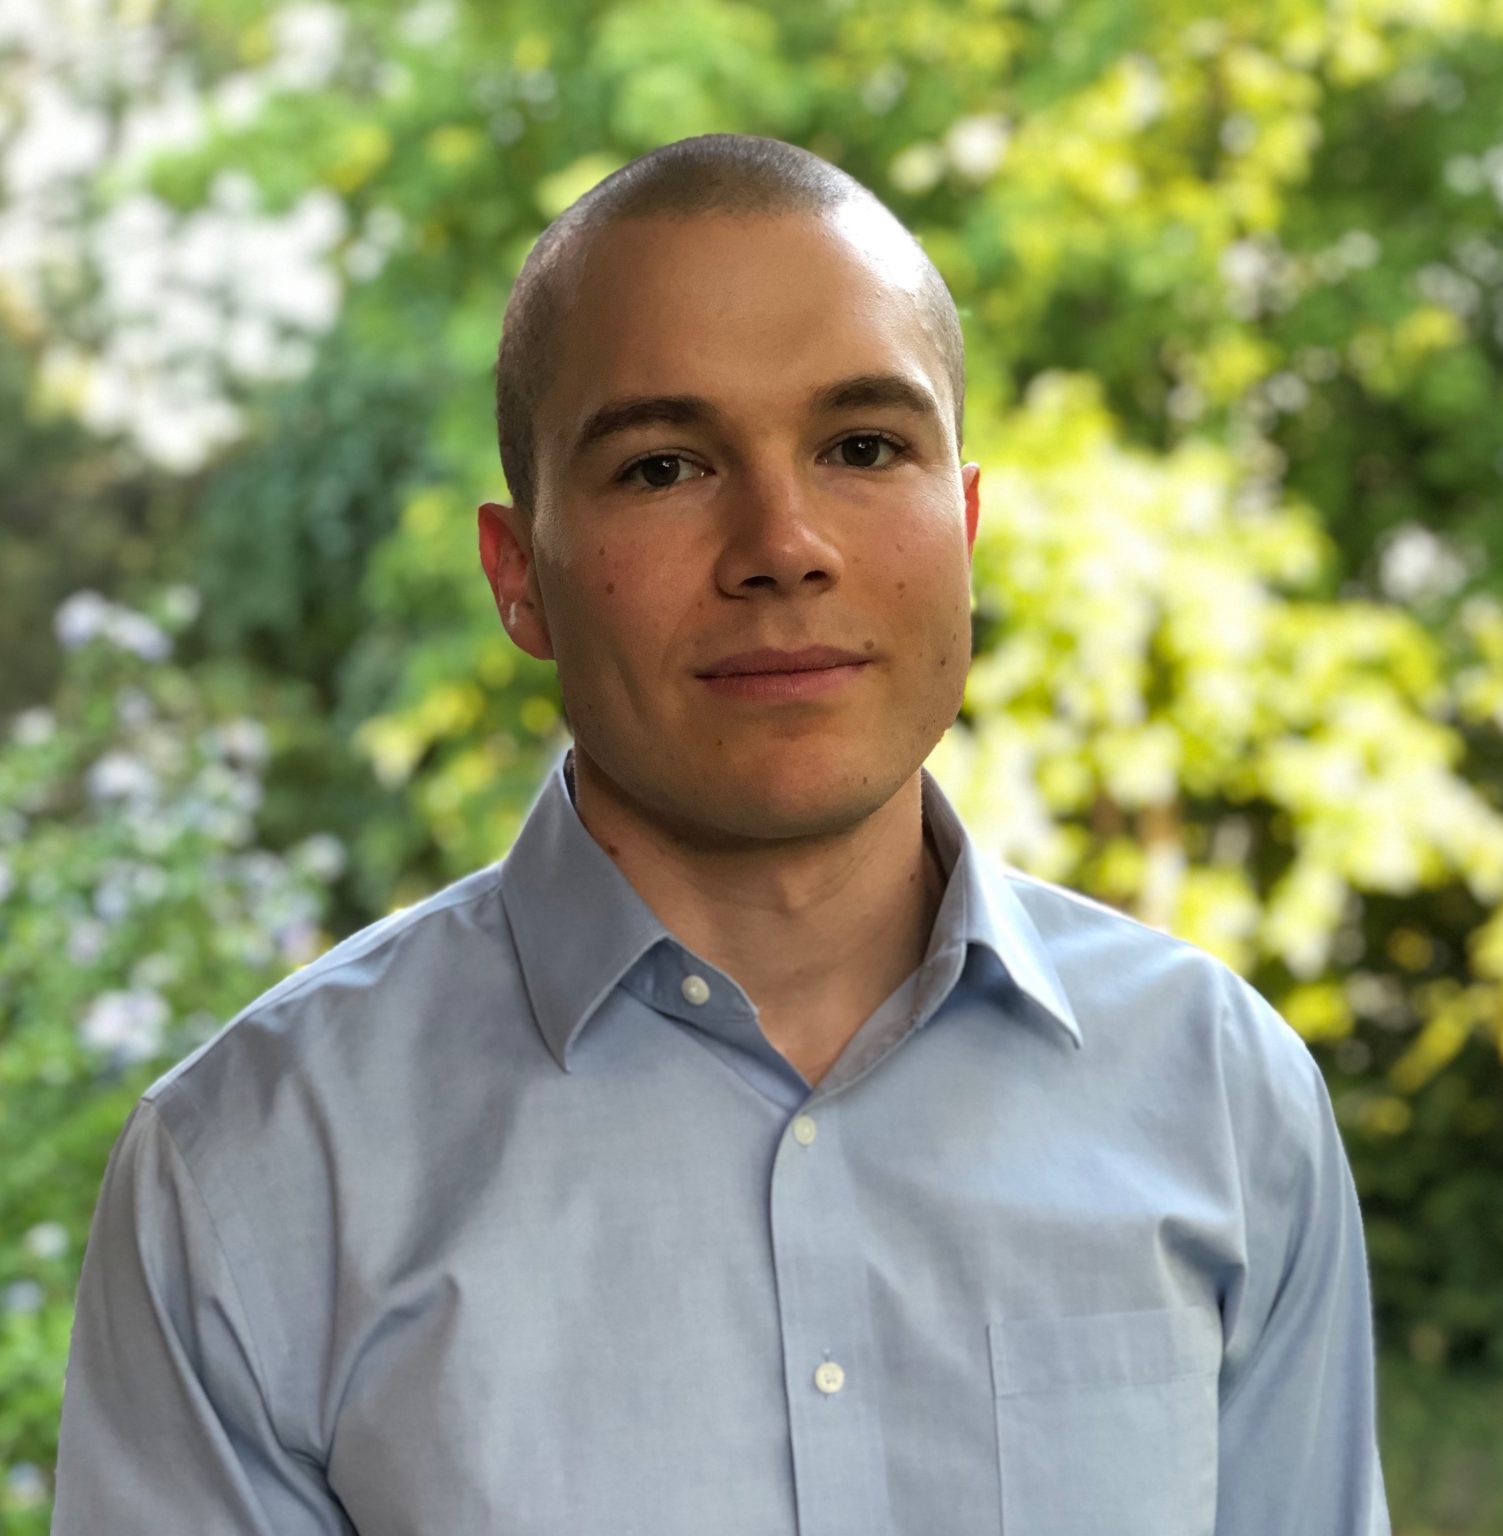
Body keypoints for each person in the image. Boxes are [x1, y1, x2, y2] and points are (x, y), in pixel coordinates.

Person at [51, 133, 1390, 1535]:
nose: (783, 543)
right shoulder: (255, 1171)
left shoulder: (1221, 1098)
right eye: (664, 467)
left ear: (965, 524)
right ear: (520, 578)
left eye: (863, 447)